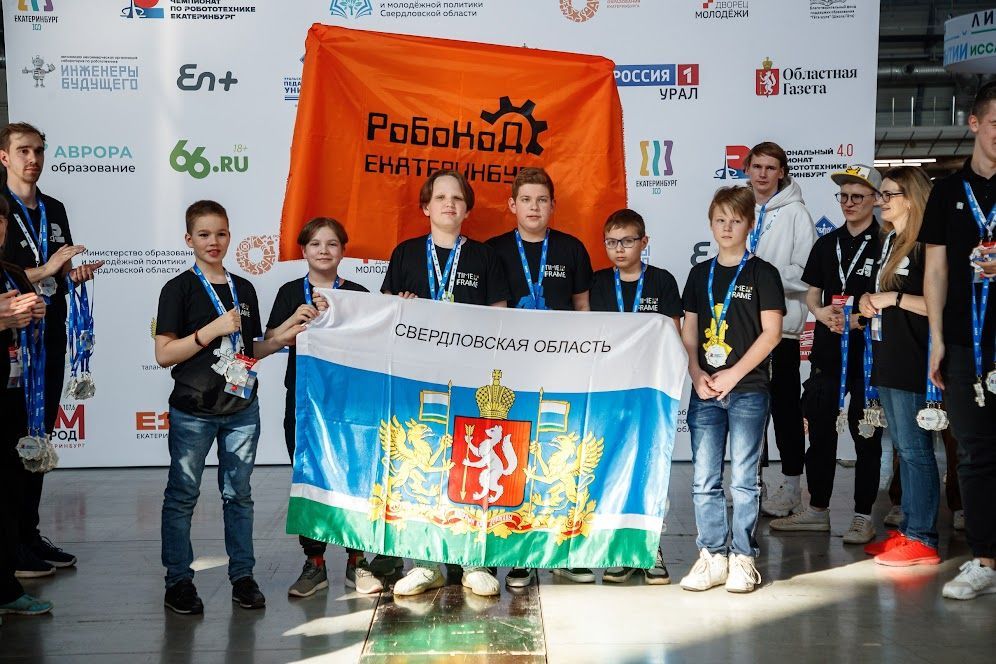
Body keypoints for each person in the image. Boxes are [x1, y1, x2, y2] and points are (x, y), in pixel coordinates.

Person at [154, 200, 307, 614]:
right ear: (189, 239)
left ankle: (243, 577)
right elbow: (164, 354)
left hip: (241, 409)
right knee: (183, 495)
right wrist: (210, 330)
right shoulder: (178, 288)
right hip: (193, 409)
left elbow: (248, 351)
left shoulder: (244, 288)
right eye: (204, 234)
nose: (213, 241)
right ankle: (178, 581)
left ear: (229, 236)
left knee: (238, 495)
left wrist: (282, 337)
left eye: (220, 233)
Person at [382, 170, 509, 598]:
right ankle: (425, 564)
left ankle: (473, 562)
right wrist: (400, 307)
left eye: (457, 198)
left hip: (471, 377)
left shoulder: (485, 257)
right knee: (423, 465)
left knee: (471, 464)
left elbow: (500, 317)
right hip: (419, 377)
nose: (449, 204)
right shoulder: (405, 254)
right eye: (440, 197)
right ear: (426, 207)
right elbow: (387, 315)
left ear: (467, 209)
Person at [0, 122, 103, 577]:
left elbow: (58, 273)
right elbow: (10, 272)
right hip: (10, 339)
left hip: (50, 334)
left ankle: (29, 534)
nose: (33, 159)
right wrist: (46, 270)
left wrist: (70, 276)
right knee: (10, 440)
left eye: (39, 151)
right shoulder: (0, 208)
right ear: (4, 157)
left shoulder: (53, 208)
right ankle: (11, 546)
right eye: (23, 150)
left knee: (38, 436)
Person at [486, 167, 593, 588]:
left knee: (558, 460)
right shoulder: (493, 251)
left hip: (560, 371)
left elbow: (583, 310)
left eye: (542, 200)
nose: (534, 207)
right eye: (526, 200)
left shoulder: (571, 248)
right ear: (512, 205)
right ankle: (520, 554)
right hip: (511, 374)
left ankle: (563, 552)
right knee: (515, 462)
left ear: (553, 206)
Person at [266, 217, 383, 597]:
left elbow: (373, 343)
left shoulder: (358, 293)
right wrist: (296, 321)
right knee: (307, 476)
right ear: (303, 250)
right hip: (304, 400)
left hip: (350, 402)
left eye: (332, 244)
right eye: (315, 244)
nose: (323, 250)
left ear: (343, 251)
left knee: (354, 474)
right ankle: (314, 563)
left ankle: (357, 560)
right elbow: (270, 339)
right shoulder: (289, 292)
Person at [770, 164, 884, 546]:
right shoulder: (826, 243)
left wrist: (857, 319)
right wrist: (819, 313)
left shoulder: (885, 243)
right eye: (843, 196)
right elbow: (811, 292)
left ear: (875, 199)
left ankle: (863, 516)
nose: (848, 203)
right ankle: (817, 510)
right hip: (827, 350)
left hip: (868, 355)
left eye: (857, 197)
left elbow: (889, 297)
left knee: (866, 433)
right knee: (819, 431)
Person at [679, 186, 784, 594]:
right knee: (704, 478)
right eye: (720, 220)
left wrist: (733, 375)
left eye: (735, 220)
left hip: (747, 389)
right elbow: (689, 331)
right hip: (706, 390)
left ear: (749, 225)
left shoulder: (763, 273)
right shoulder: (699, 274)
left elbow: (772, 334)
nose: (727, 227)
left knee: (743, 479)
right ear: (710, 223)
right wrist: (695, 373)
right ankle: (712, 556)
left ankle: (743, 557)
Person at [921, 81, 996, 600]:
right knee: (974, 453)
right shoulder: (947, 192)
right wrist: (937, 338)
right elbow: (936, 271)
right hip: (966, 343)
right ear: (974, 123)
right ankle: (984, 560)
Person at [590, 208, 682, 586]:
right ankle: (620, 550)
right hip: (610, 393)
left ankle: (652, 549)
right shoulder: (597, 283)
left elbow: (673, 335)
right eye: (612, 242)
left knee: (650, 468)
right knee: (613, 470)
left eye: (627, 241)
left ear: (644, 242)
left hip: (650, 392)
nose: (619, 249)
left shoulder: (662, 281)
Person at [858, 166, 941, 566]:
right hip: (888, 355)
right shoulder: (890, 241)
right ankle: (909, 530)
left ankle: (923, 537)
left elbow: (938, 305)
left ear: (912, 199)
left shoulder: (927, 246)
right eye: (881, 194)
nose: (880, 201)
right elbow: (883, 297)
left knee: (915, 450)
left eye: (888, 195)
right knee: (903, 451)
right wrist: (867, 301)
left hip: (914, 358)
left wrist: (891, 299)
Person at [742, 142, 817, 518]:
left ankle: (790, 486)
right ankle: (751, 481)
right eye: (757, 166)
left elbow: (807, 274)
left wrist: (762, 275)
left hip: (781, 330)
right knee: (746, 409)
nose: (763, 174)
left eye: (770, 167)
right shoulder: (740, 207)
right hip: (741, 328)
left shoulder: (796, 213)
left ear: (782, 172)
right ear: (747, 169)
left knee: (785, 409)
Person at [0, 197, 52, 618]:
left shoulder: (12, 272)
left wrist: (35, 314)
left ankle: (6, 588)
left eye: (0, 222)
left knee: (10, 494)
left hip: (15, 397)